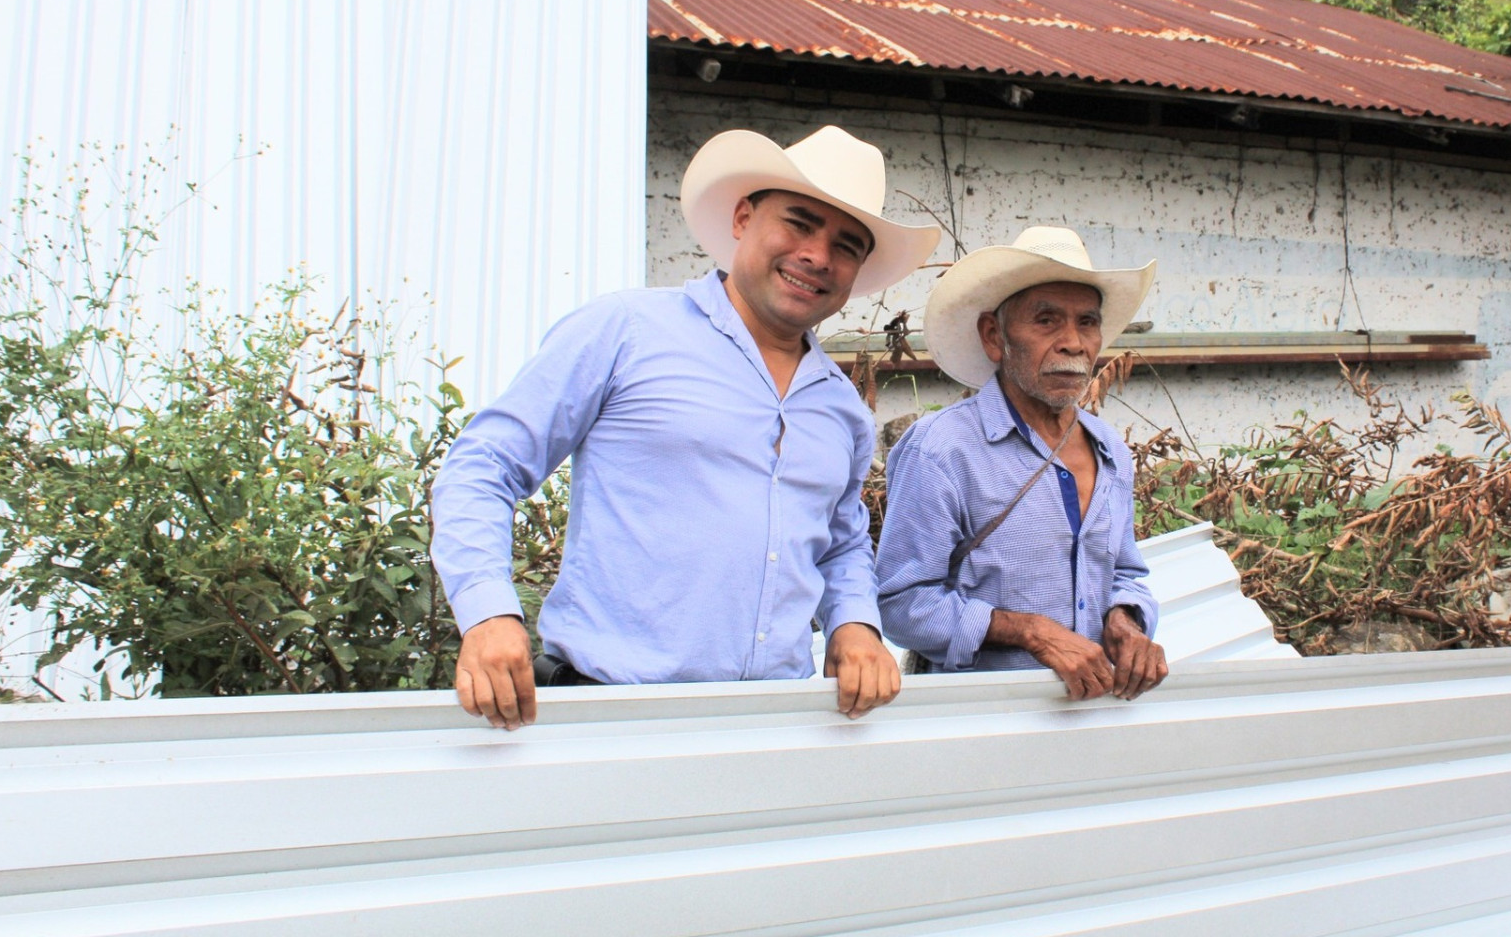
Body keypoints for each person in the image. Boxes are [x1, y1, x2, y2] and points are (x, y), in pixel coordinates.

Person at [431, 126, 940, 728]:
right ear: (743, 217)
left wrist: (854, 624)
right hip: (611, 717)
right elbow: (483, 466)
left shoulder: (839, 405)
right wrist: (489, 614)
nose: (818, 256)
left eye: (846, 245)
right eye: (799, 223)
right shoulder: (625, 331)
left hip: (774, 722)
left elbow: (841, 540)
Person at [875, 227, 1168, 700]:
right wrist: (1029, 631)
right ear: (995, 337)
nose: (1073, 343)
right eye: (1046, 321)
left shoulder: (1110, 449)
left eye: (1087, 323)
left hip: (1096, 713)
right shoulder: (942, 450)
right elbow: (901, 604)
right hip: (984, 718)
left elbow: (1126, 574)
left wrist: (1126, 621)